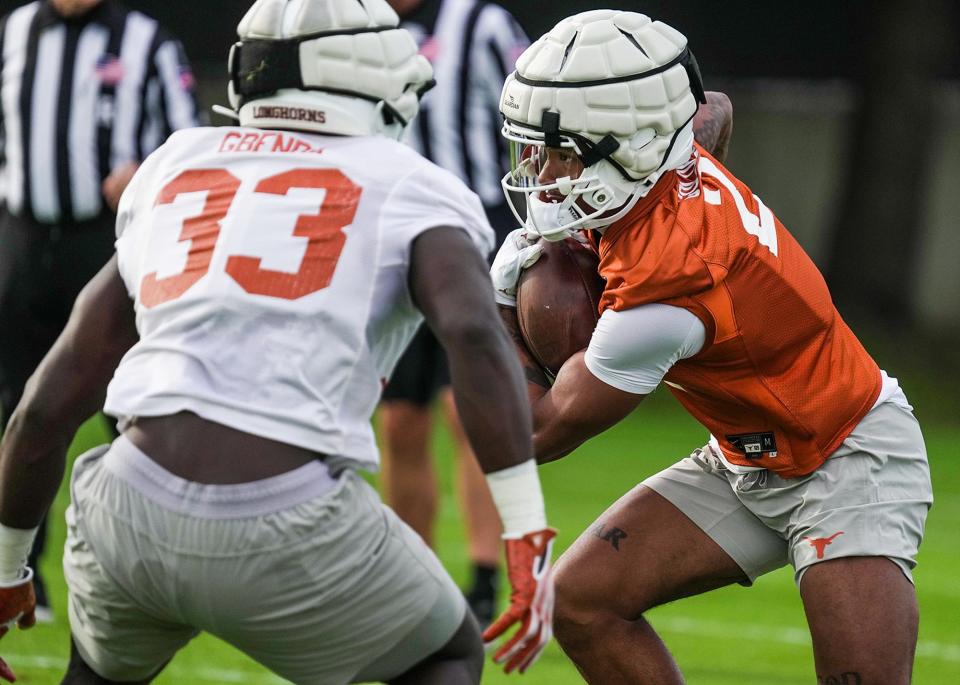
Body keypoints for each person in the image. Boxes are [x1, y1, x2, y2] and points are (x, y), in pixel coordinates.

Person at [0, 0, 556, 683]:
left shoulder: (175, 164)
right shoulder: (414, 184)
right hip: (286, 514)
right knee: (446, 651)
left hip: (126, 498)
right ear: (371, 68)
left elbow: (43, 407)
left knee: (97, 668)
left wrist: (5, 566)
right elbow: (472, 331)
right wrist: (525, 523)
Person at [491, 10, 931, 685]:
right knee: (581, 602)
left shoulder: (667, 287)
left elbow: (538, 432)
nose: (544, 175)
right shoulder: (672, 145)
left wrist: (500, 311)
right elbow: (712, 112)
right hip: (746, 458)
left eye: (563, 152)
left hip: (845, 454)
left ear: (630, 148)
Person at [0, 0, 203, 620]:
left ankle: (147, 565)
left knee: (129, 406)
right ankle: (19, 574)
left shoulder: (145, 40)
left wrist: (145, 174)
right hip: (23, 239)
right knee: (18, 405)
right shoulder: (13, 30)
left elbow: (187, 139)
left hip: (109, 244)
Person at [379, 0, 530, 626]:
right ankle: (413, 576)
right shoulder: (362, 29)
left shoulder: (481, 22)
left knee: (466, 407)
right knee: (399, 421)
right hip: (391, 237)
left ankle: (484, 578)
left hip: (475, 229)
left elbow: (534, 107)